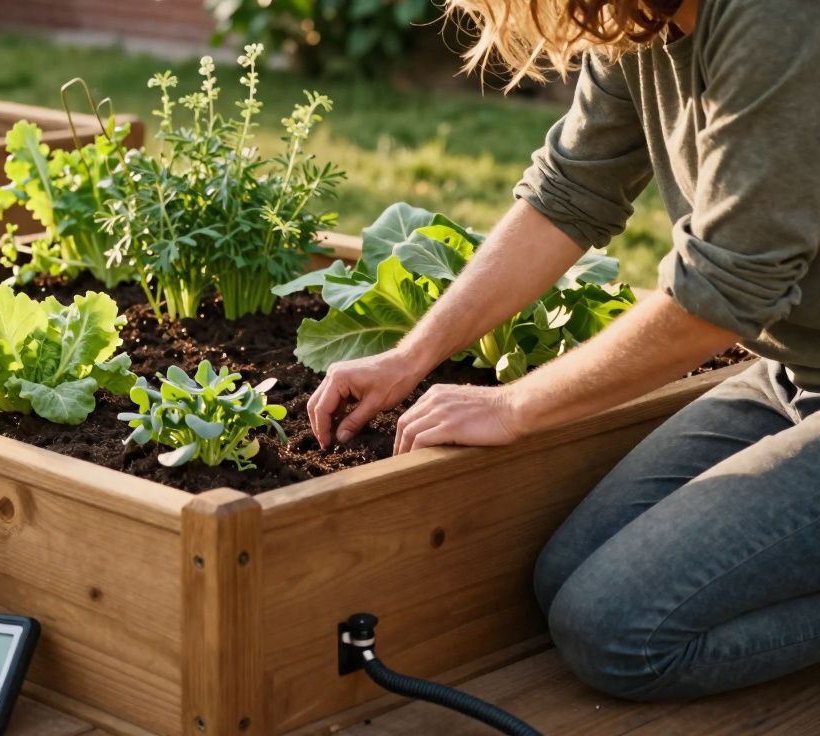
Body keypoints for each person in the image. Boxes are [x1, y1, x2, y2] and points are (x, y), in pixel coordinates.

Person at [307, 0, 820, 702]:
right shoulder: (639, 17)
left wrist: (513, 405)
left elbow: (722, 295)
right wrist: (409, 356)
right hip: (791, 375)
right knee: (560, 580)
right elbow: (570, 190)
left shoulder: (778, 19)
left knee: (617, 633)